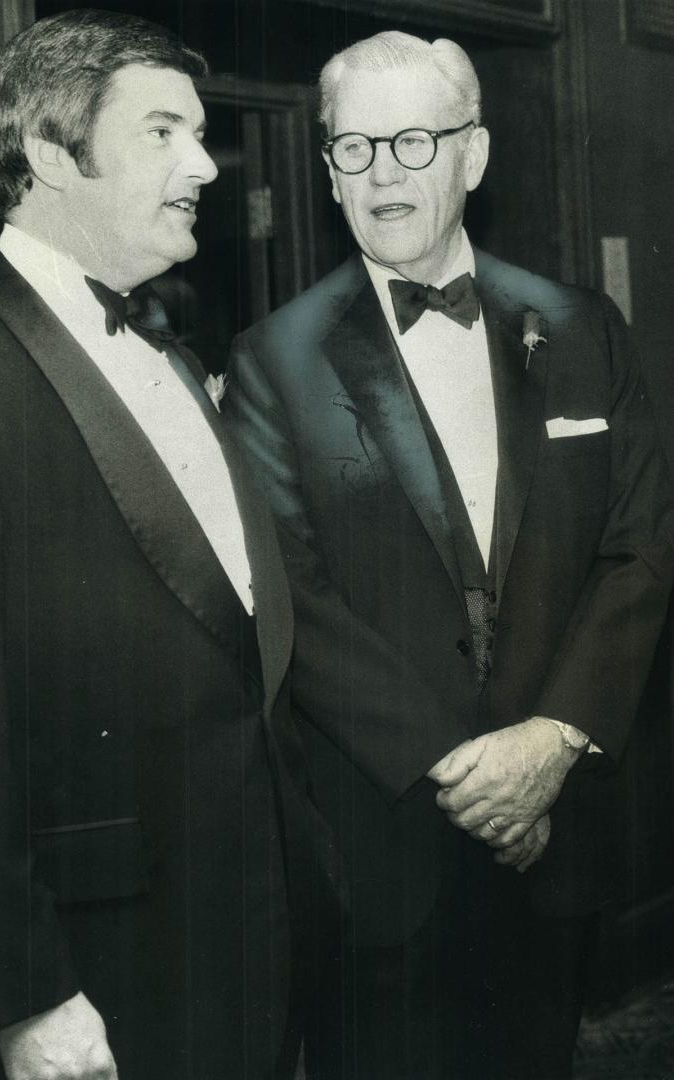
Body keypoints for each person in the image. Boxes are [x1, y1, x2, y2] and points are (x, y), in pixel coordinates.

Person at [225, 30, 674, 1080]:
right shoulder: (273, 360)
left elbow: (637, 548)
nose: (381, 173)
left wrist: (548, 746)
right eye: (353, 147)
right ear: (327, 169)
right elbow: (293, 595)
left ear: (472, 156)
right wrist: (468, 778)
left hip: (554, 831)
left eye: (412, 142)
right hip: (381, 850)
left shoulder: (581, 328)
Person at [0, 10, 327, 1080]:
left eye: (198, 132)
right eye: (162, 132)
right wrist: (22, 993)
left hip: (243, 927)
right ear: (50, 154)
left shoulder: (171, 354)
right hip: (93, 966)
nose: (204, 167)